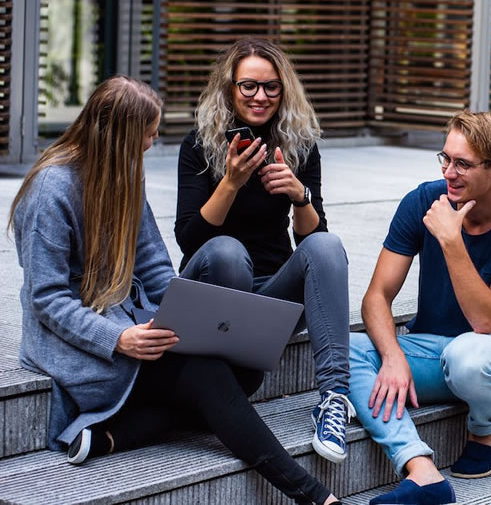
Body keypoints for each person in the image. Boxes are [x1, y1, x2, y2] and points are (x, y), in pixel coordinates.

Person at [10, 76, 340, 505]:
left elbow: (155, 267)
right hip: (82, 344)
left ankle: (117, 434)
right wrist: (119, 338)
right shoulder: (51, 190)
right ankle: (313, 495)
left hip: (134, 325)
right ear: (120, 134)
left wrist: (186, 317)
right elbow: (47, 298)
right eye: (147, 134)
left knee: (244, 373)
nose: (151, 144)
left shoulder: (124, 174)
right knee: (210, 377)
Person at [348, 111, 491, 504]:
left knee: (469, 356)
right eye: (445, 158)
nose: (449, 172)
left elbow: (486, 318)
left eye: (462, 163)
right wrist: (392, 357)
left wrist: (451, 240)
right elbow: (377, 296)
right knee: (345, 350)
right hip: (428, 348)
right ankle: (420, 470)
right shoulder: (423, 200)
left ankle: (486, 428)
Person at [174, 38, 353, 464]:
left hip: (270, 297)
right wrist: (231, 182)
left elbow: (314, 242)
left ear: (284, 90)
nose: (260, 97)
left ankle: (334, 400)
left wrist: (300, 195)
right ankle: (224, 383)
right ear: (230, 88)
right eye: (249, 86)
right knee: (228, 252)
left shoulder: (299, 144)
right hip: (213, 288)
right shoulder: (199, 145)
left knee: (327, 246)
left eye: (271, 87)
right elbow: (189, 240)